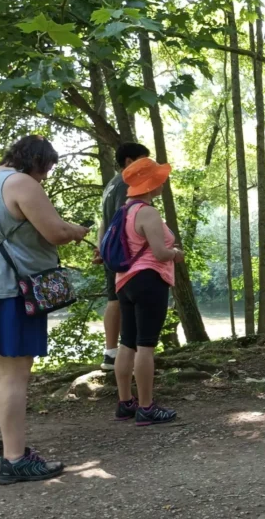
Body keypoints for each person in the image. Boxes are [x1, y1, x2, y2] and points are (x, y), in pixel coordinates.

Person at [0, 135, 89, 484]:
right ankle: (14, 459)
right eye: (46, 169)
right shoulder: (21, 182)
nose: (44, 177)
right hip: (9, 290)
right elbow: (55, 232)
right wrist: (76, 231)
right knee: (15, 371)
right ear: (37, 161)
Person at [112, 157, 182, 426]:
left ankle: (125, 403)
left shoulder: (124, 211)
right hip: (149, 280)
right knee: (145, 345)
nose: (163, 182)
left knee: (127, 342)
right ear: (151, 184)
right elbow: (160, 252)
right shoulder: (148, 213)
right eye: (159, 179)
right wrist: (176, 253)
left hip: (124, 282)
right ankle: (146, 407)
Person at [93, 142, 150, 371]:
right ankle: (131, 353)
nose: (147, 165)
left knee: (114, 299)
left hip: (111, 249)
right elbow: (125, 216)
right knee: (127, 300)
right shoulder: (127, 181)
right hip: (125, 251)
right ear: (129, 161)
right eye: (144, 160)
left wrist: (102, 247)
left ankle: (111, 353)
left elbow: (103, 222)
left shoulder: (110, 184)